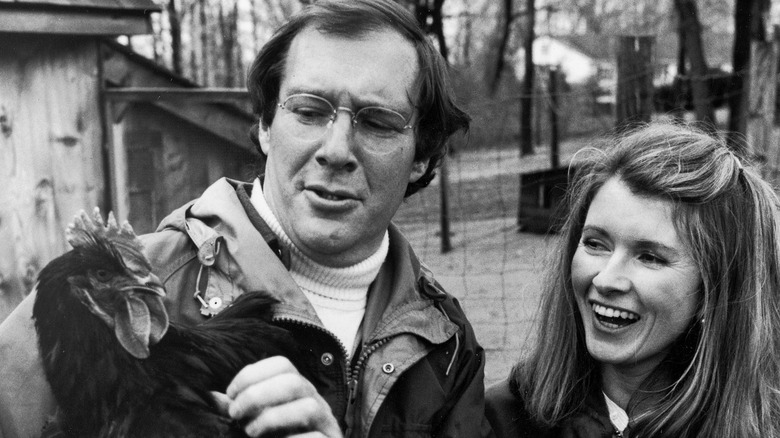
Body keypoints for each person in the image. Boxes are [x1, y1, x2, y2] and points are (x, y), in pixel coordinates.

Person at [0, 1, 490, 437]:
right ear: (264, 127)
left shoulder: (444, 342)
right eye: (308, 110)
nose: (336, 150)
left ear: (422, 156)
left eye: (379, 122)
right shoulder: (99, 294)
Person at [486, 122, 780, 437]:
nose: (606, 280)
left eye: (650, 257)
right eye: (595, 244)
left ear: (714, 291)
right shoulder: (500, 420)